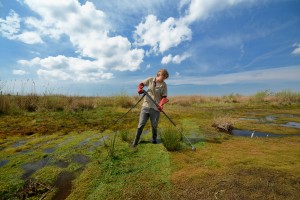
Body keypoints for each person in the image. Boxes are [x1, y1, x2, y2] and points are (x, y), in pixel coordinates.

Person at [131, 68, 169, 147]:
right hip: (146, 105)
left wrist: (161, 105)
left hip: (156, 108)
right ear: (159, 75)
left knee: (154, 125)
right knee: (141, 124)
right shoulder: (150, 80)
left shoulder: (164, 85)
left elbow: (164, 97)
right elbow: (141, 84)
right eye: (164, 77)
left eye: (165, 78)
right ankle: (135, 142)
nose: (164, 79)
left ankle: (154, 139)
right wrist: (140, 89)